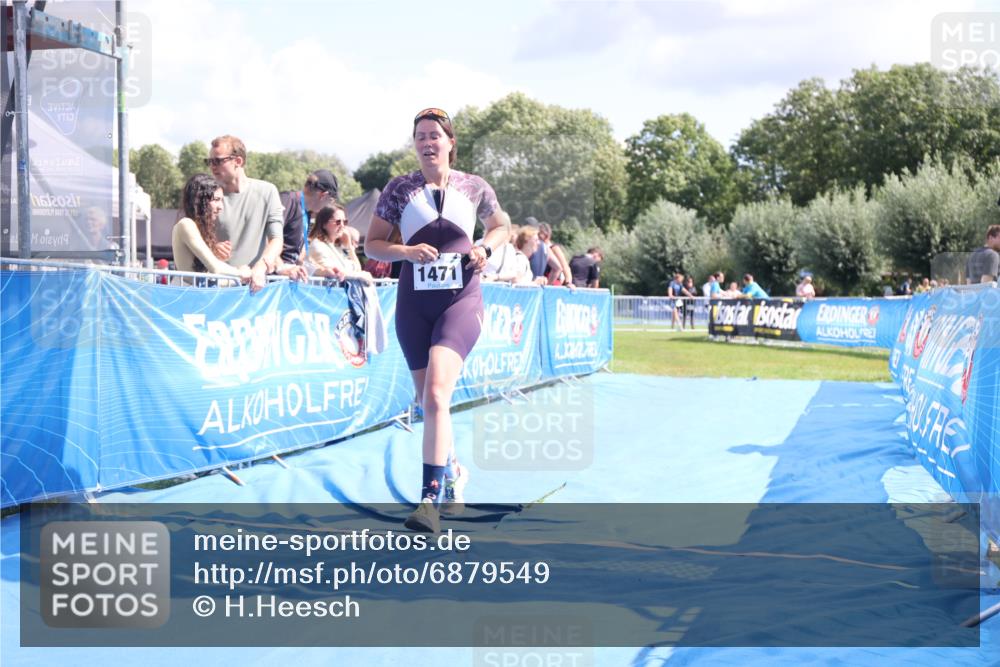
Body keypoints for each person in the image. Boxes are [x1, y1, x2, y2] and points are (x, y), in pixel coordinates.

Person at [364, 108, 509, 533]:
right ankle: (454, 471)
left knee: (437, 395)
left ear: (450, 142)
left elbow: (501, 225)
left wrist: (486, 246)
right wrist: (406, 252)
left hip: (460, 301)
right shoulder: (399, 189)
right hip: (413, 304)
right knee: (429, 404)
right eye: (420, 137)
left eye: (434, 136)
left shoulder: (474, 186)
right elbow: (372, 246)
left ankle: (428, 500)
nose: (427, 143)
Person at [206, 134, 290, 291]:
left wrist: (262, 265)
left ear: (238, 161)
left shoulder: (268, 191)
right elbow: (194, 238)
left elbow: (277, 239)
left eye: (217, 161)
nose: (212, 166)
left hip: (253, 288)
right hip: (217, 287)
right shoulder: (208, 194)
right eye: (209, 161)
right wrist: (211, 247)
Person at [171, 173, 252, 283]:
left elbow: (205, 272)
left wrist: (214, 252)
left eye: (221, 200)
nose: (221, 207)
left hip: (195, 295)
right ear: (199, 200)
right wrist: (241, 272)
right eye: (216, 199)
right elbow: (215, 268)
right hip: (188, 296)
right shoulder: (186, 224)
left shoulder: (194, 227)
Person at [279, 170, 340, 265]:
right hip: (272, 276)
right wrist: (281, 268)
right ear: (323, 195)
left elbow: (297, 258)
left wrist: (323, 271)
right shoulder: (288, 201)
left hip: (287, 275)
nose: (329, 206)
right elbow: (265, 238)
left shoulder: (306, 214)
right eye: (331, 201)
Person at [307, 203, 373, 284]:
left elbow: (357, 269)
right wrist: (360, 275)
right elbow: (336, 273)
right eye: (338, 222)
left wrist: (349, 247)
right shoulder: (317, 245)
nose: (342, 225)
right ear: (324, 224)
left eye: (345, 222)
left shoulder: (340, 247)